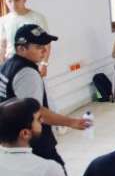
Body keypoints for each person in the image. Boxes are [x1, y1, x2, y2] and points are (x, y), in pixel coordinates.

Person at [0, 25, 87, 168]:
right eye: (39, 47)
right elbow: (37, 112)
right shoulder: (27, 73)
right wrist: (72, 122)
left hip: (12, 141)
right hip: (33, 142)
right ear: (22, 49)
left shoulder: (7, 65)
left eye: (45, 45)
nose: (45, 51)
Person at [0, 0, 50, 74]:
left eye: (17, 0)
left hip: (32, 64)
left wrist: (44, 64)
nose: (13, 4)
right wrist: (2, 66)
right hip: (11, 64)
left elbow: (46, 43)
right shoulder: (3, 20)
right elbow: (2, 45)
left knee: (34, 87)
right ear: (6, 2)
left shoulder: (37, 18)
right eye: (10, 1)